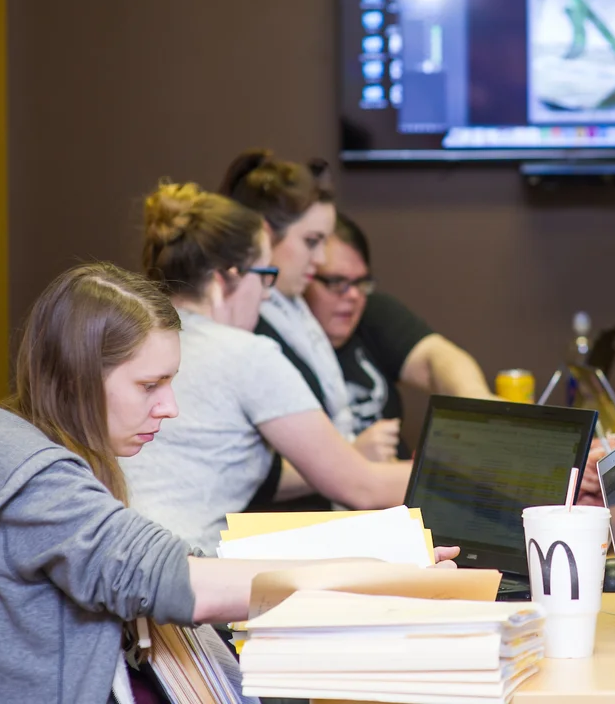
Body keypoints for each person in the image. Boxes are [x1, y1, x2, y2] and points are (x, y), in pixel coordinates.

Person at [0, 262, 459, 703]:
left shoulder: (20, 451)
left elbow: (181, 563)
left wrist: (382, 564)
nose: (169, 407)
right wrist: (385, 574)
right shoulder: (37, 486)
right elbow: (189, 587)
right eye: (149, 385)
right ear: (75, 378)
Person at [121, 183, 411, 552]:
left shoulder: (135, 339)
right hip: (178, 569)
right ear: (227, 277)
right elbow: (363, 488)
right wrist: (467, 479)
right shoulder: (247, 354)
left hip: (119, 555)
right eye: (264, 275)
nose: (268, 293)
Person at [219, 149, 399, 462]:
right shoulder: (244, 323)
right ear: (264, 233)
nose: (319, 260)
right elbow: (246, 472)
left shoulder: (292, 309)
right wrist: (352, 457)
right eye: (311, 241)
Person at [304, 212, 493, 444]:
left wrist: (477, 401)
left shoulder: (371, 311)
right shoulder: (278, 343)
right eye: (336, 282)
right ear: (305, 277)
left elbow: (436, 357)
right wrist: (354, 455)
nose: (353, 295)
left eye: (360, 283)